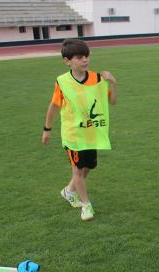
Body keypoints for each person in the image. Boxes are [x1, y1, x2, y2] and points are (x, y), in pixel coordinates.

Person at [41, 39, 118, 220]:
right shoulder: (62, 82)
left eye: (87, 56)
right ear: (67, 61)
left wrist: (113, 83)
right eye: (80, 57)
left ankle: (69, 191)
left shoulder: (98, 78)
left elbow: (112, 102)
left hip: (91, 133)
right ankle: (86, 205)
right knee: (77, 170)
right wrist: (47, 128)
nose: (85, 60)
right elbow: (54, 106)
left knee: (88, 167)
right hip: (73, 134)